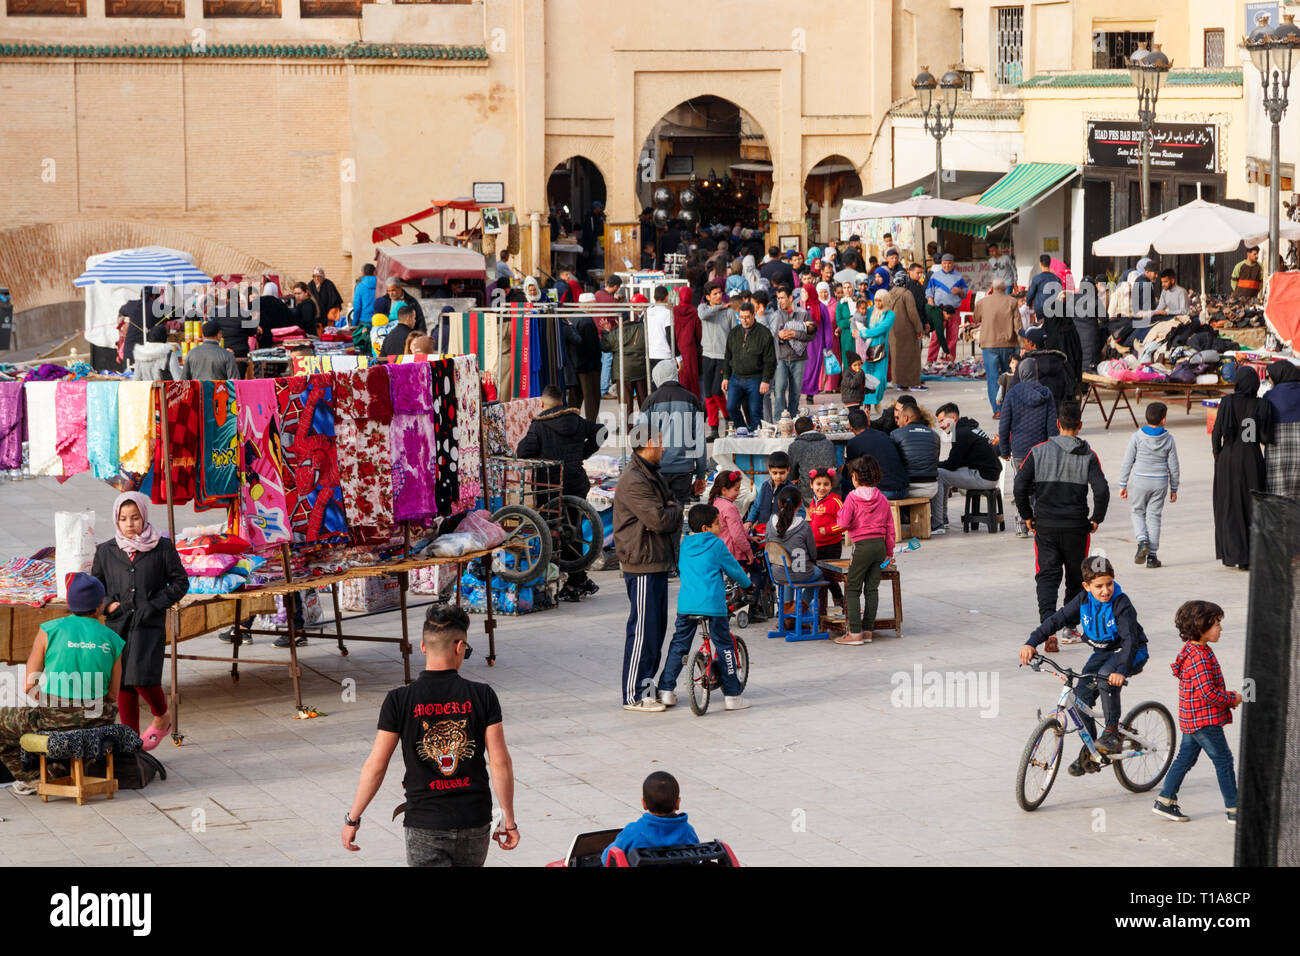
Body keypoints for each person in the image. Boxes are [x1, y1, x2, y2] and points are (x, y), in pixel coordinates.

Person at [342, 604, 518, 866]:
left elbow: (376, 766)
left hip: (425, 822)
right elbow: (500, 762)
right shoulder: (483, 695)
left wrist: (352, 819)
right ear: (459, 648)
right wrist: (509, 820)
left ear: (423, 648)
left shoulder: (398, 700)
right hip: (475, 819)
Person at [1019, 556, 1148, 775]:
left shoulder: (1121, 604)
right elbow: (1056, 620)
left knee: (1106, 676)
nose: (1105, 590)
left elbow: (1130, 641)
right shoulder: (1083, 600)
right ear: (1086, 586)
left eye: (1109, 584)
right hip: (1104, 652)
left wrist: (1121, 671)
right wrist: (1031, 642)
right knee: (1079, 700)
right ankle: (1091, 751)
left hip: (1131, 652)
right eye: (1099, 586)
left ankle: (1111, 732)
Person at [0, 573, 123, 795]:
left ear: (69, 603)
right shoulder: (113, 638)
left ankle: (33, 777)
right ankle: (60, 769)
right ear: (100, 605)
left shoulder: (50, 630)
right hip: (98, 720)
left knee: (3, 723)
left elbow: (29, 685)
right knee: (81, 725)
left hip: (54, 717)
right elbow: (113, 695)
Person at [90, 492, 188, 747]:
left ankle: (162, 716)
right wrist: (109, 605)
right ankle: (129, 743)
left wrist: (155, 604)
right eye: (123, 519)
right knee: (124, 683)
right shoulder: (106, 551)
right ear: (116, 520)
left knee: (143, 677)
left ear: (144, 516)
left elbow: (180, 582)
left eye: (135, 518)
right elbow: (96, 586)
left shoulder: (162, 547)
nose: (130, 524)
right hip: (118, 625)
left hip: (148, 623)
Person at [1013, 401, 1110, 632]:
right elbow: (1102, 490)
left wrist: (1027, 514)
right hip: (1077, 527)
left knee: (1047, 576)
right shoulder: (1088, 454)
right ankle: (1070, 626)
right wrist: (1097, 517)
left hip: (1044, 526)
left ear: (1057, 424)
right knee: (1077, 577)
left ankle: (1048, 628)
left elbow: (1019, 485)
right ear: (1080, 425)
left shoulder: (1038, 451)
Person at [613, 430, 684, 713]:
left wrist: (670, 510)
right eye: (660, 442)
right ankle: (632, 695)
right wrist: (671, 512)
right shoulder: (634, 479)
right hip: (641, 562)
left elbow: (670, 507)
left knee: (656, 629)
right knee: (642, 630)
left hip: (655, 560)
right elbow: (660, 519)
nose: (664, 447)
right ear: (649, 444)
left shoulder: (651, 473)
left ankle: (648, 690)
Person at [656, 504, 753, 711]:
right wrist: (748, 585)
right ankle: (733, 696)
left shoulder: (684, 544)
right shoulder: (717, 545)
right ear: (705, 529)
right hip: (713, 606)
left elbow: (682, 569)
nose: (720, 527)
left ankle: (665, 691)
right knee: (725, 645)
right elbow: (734, 569)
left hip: (686, 605)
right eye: (717, 524)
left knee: (679, 644)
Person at [1153, 601, 1241, 823]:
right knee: (1223, 760)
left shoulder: (1194, 650)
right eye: (1217, 624)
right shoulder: (1199, 657)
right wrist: (1232, 698)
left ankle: (1165, 800)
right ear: (1202, 627)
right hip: (1204, 721)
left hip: (1192, 718)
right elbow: (1208, 693)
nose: (1221, 629)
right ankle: (1234, 809)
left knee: (1185, 759)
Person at [516, 385, 603, 602]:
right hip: (576, 482)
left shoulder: (539, 425)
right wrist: (583, 453)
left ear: (543, 403)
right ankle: (579, 578)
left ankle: (576, 582)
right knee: (572, 529)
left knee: (558, 532)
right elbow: (601, 431)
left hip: (550, 486)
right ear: (561, 400)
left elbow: (522, 451)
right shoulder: (576, 420)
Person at [1211, 367, 1273, 569]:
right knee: (1251, 506)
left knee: (1228, 506)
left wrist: (1218, 455)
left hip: (1228, 458)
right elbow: (1265, 438)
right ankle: (1249, 558)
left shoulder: (1227, 402)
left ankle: (1231, 555)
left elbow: (1216, 433)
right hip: (1252, 458)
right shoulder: (1261, 404)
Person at [833, 456, 895, 645]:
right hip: (879, 546)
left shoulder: (852, 497)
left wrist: (839, 513)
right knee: (871, 588)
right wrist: (889, 553)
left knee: (852, 588)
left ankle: (855, 633)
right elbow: (890, 528)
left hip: (862, 546)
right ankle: (868, 630)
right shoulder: (882, 498)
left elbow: (843, 523)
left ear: (855, 477)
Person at [998, 358, 1060, 537]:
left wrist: (1004, 449)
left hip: (1019, 451)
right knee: (1040, 487)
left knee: (1021, 487)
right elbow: (1052, 426)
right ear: (1036, 372)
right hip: (1041, 450)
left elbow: (1004, 425)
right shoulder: (1046, 393)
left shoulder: (1012, 393)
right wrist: (1053, 448)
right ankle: (1038, 523)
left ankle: (1021, 525)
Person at [1118, 402, 1180, 569]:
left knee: (1137, 511)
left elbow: (1127, 461)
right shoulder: (1168, 438)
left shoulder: (1137, 436)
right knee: (1154, 517)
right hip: (1160, 482)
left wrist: (1122, 484)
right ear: (1164, 420)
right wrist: (1174, 488)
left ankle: (1142, 541)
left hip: (1140, 481)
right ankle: (1152, 557)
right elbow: (1174, 466)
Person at [638, 360, 707, 506]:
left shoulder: (650, 401)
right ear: (675, 375)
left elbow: (640, 439)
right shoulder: (692, 400)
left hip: (656, 468)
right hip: (684, 469)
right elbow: (700, 440)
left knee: (658, 511)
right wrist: (701, 474)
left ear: (656, 377)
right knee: (678, 511)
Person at [602, 772, 700, 864]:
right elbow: (696, 859)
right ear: (677, 803)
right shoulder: (688, 832)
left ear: (644, 803)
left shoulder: (633, 832)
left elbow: (606, 858)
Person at [932, 403, 1002, 532]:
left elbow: (951, 464)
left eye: (942, 421)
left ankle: (938, 523)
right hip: (990, 474)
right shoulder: (970, 428)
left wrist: (933, 464)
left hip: (984, 477)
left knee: (938, 474)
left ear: (953, 418)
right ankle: (943, 518)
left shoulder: (960, 433)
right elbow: (958, 462)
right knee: (944, 472)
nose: (941, 426)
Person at [721, 301, 775, 431]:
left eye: (747, 317)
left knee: (755, 412)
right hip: (736, 377)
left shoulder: (764, 333)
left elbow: (770, 360)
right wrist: (725, 377)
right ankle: (743, 431)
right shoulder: (734, 333)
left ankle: (756, 437)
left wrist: (766, 380)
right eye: (741, 317)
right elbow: (728, 356)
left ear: (753, 315)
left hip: (756, 379)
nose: (744, 320)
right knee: (731, 407)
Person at [975, 278, 1020, 416]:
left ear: (992, 288)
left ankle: (997, 410)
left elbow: (976, 318)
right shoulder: (1012, 302)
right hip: (1008, 343)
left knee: (993, 378)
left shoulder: (982, 302)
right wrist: (1023, 344)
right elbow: (1018, 325)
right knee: (1010, 376)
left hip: (989, 344)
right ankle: (1010, 408)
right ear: (1005, 288)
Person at [839, 408, 908, 500]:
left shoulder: (854, 443)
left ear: (850, 427)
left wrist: (841, 469)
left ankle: (847, 513)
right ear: (868, 423)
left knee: (845, 482)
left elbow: (847, 473)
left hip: (883, 491)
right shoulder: (884, 435)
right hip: (903, 489)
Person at [770, 285, 813, 419]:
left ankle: (793, 419)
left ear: (790, 298)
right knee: (779, 389)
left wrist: (794, 334)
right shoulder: (775, 315)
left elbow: (811, 335)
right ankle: (779, 420)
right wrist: (779, 336)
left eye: (782, 298)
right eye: (778, 298)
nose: (780, 301)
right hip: (781, 357)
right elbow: (769, 336)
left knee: (795, 392)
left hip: (798, 358)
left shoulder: (803, 313)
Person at [601, 304, 649, 425]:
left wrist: (607, 331)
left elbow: (606, 347)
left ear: (617, 320)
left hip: (623, 372)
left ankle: (627, 428)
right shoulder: (642, 328)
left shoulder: (616, 333)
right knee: (644, 400)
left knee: (625, 403)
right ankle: (646, 427)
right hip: (641, 369)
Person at [890, 400, 941, 513]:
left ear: (906, 418)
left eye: (899, 418)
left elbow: (894, 462)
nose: (897, 422)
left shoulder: (896, 434)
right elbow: (935, 460)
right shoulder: (935, 435)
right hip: (931, 487)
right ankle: (939, 522)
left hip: (908, 488)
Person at [698, 282, 733, 436]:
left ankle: (728, 417)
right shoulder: (703, 308)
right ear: (707, 297)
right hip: (707, 355)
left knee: (717, 392)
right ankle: (713, 430)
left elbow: (733, 334)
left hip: (723, 356)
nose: (719, 296)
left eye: (720, 293)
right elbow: (703, 316)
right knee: (708, 395)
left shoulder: (729, 312)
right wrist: (720, 307)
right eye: (715, 294)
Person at [1265, 360, 1300, 499]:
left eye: (1270, 375)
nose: (1269, 379)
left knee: (1279, 499)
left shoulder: (1269, 397)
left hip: (1278, 457)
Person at [883, 274, 924, 393]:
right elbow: (912, 313)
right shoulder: (907, 293)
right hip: (907, 330)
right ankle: (913, 383)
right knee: (911, 357)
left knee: (897, 357)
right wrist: (919, 329)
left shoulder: (889, 293)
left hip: (892, 330)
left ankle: (901, 383)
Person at [858, 289, 896, 410]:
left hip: (880, 350)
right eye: (876, 300)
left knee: (879, 378)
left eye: (881, 301)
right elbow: (858, 317)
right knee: (866, 376)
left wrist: (863, 333)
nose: (878, 303)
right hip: (866, 349)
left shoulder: (890, 314)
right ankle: (867, 405)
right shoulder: (869, 311)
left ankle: (875, 400)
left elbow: (882, 328)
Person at [925, 254, 968, 360]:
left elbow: (965, 293)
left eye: (949, 263)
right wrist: (931, 302)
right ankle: (931, 361)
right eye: (944, 263)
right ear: (941, 264)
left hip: (954, 311)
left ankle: (949, 361)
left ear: (953, 264)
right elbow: (929, 291)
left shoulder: (958, 276)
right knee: (936, 337)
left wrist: (959, 291)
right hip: (939, 310)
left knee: (952, 337)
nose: (947, 265)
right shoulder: (935, 276)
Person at [802, 281, 841, 399]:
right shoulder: (801, 306)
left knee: (813, 367)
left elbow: (828, 326)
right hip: (802, 342)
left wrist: (828, 343)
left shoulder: (820, 307)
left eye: (804, 292)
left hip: (816, 343)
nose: (802, 294)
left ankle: (810, 393)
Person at [1016, 327, 1072, 406]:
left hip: (1032, 412)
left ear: (1031, 343)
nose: (1023, 344)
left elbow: (1012, 391)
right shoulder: (1059, 361)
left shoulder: (1025, 364)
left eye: (1024, 341)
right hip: (1057, 410)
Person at [786, 416, 837, 499]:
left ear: (795, 432)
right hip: (831, 491)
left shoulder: (795, 446)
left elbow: (792, 475)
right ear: (814, 426)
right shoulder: (828, 443)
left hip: (807, 494)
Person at [744, 450, 795, 534]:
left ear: (788, 470)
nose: (778, 476)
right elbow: (756, 506)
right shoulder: (765, 486)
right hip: (762, 530)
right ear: (769, 470)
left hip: (781, 533)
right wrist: (749, 520)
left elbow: (800, 512)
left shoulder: (791, 490)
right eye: (775, 473)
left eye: (782, 473)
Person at [672, 287, 704, 402]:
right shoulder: (694, 312)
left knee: (677, 379)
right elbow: (699, 335)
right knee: (692, 381)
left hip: (675, 350)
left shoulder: (673, 311)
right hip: (690, 351)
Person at [645, 285, 674, 369]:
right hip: (664, 353)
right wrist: (678, 356)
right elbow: (670, 335)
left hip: (650, 353)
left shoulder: (647, 311)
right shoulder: (667, 313)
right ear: (666, 297)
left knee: (653, 380)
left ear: (654, 297)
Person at [353, 263, 378, 336]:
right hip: (378, 321)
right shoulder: (381, 285)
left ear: (363, 273)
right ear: (374, 272)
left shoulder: (359, 287)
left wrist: (354, 324)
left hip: (363, 322)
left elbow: (357, 308)